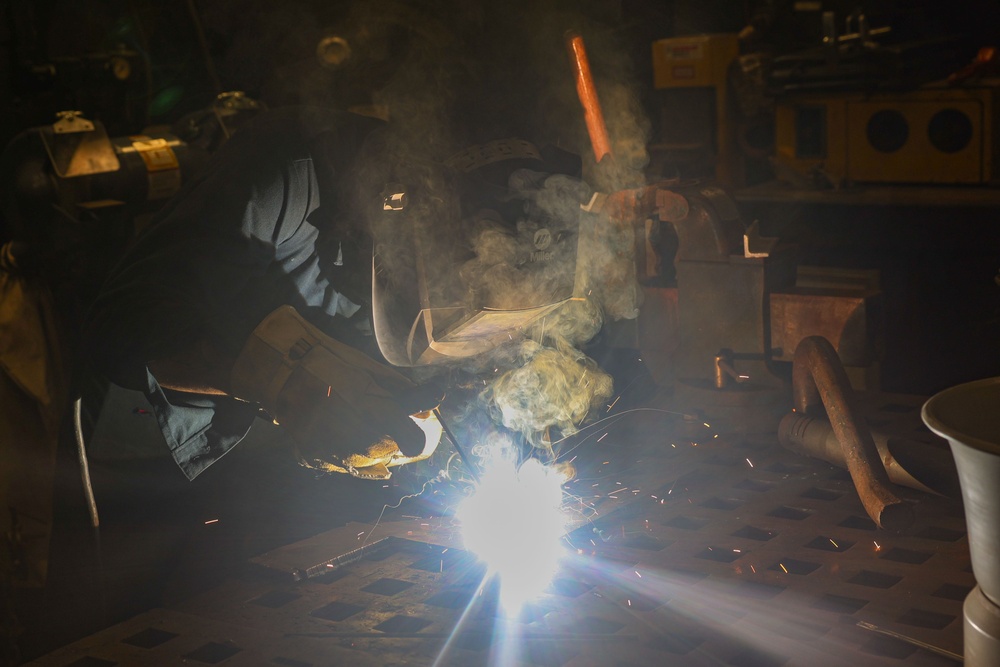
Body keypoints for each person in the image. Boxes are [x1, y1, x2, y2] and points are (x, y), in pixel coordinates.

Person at [83, 106, 443, 481]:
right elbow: (117, 328)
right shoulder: (288, 170)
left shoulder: (458, 257)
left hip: (279, 470)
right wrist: (288, 386)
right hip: (143, 445)